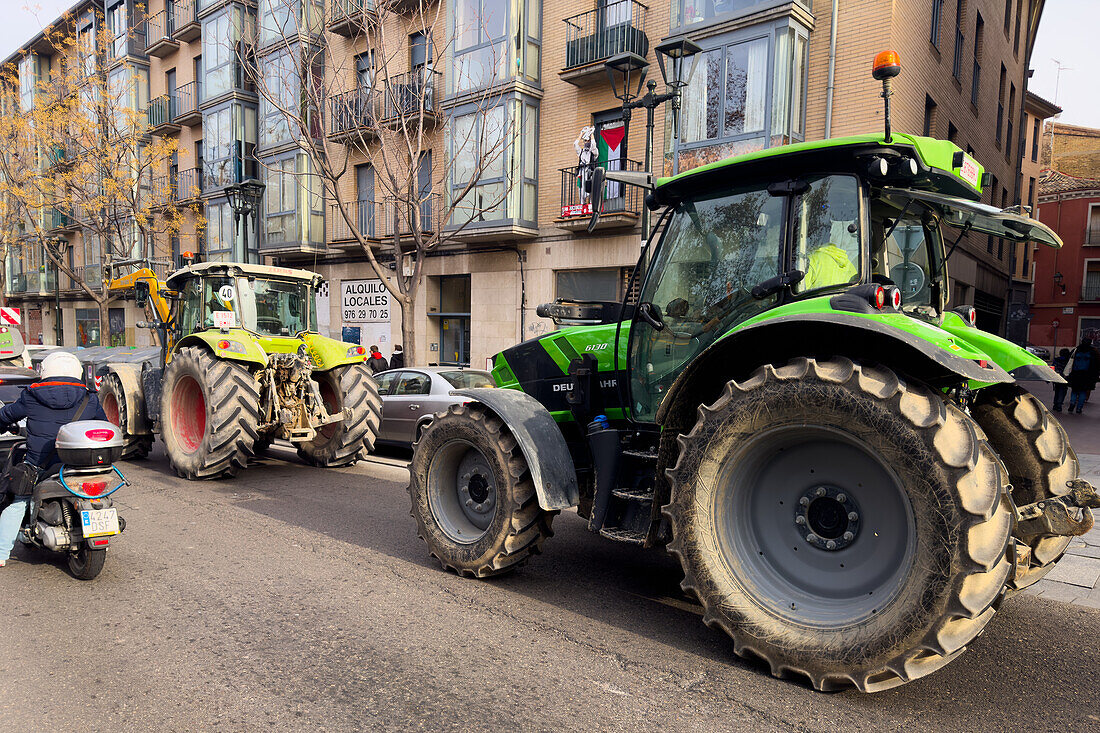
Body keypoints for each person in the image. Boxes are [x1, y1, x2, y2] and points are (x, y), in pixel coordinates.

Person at [0, 351, 108, 567]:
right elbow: (103, 425)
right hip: (80, 464)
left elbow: (7, 415)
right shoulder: (89, 397)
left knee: (18, 500)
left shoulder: (31, 395)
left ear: (46, 371)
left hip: (41, 464)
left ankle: (2, 553)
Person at [1061, 338, 1096, 414]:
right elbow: (1095, 365)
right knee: (1083, 392)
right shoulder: (1093, 352)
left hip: (1076, 373)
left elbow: (1070, 361)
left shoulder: (1076, 350)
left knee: (1074, 391)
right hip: (1087, 375)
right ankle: (1079, 408)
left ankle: (1072, 404)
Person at [1052, 348, 1071, 412]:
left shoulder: (1056, 360)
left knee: (1057, 391)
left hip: (1057, 377)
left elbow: (1052, 368)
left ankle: (1055, 404)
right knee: (1062, 391)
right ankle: (1059, 405)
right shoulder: (1068, 361)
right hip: (1065, 378)